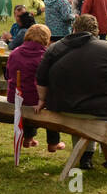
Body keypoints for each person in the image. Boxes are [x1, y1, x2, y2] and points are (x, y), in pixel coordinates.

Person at [36, 14, 107, 178]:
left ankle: (86, 157)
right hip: (103, 108)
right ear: (97, 31)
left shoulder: (54, 48)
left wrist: (42, 99)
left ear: (74, 29)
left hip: (64, 107)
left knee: (81, 114)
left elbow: (41, 77)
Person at [7, 24, 65, 152]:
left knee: (29, 97)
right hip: (36, 99)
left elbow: (7, 75)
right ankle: (53, 143)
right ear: (46, 39)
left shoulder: (15, 52)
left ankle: (28, 138)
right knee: (52, 104)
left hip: (15, 97)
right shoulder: (46, 56)